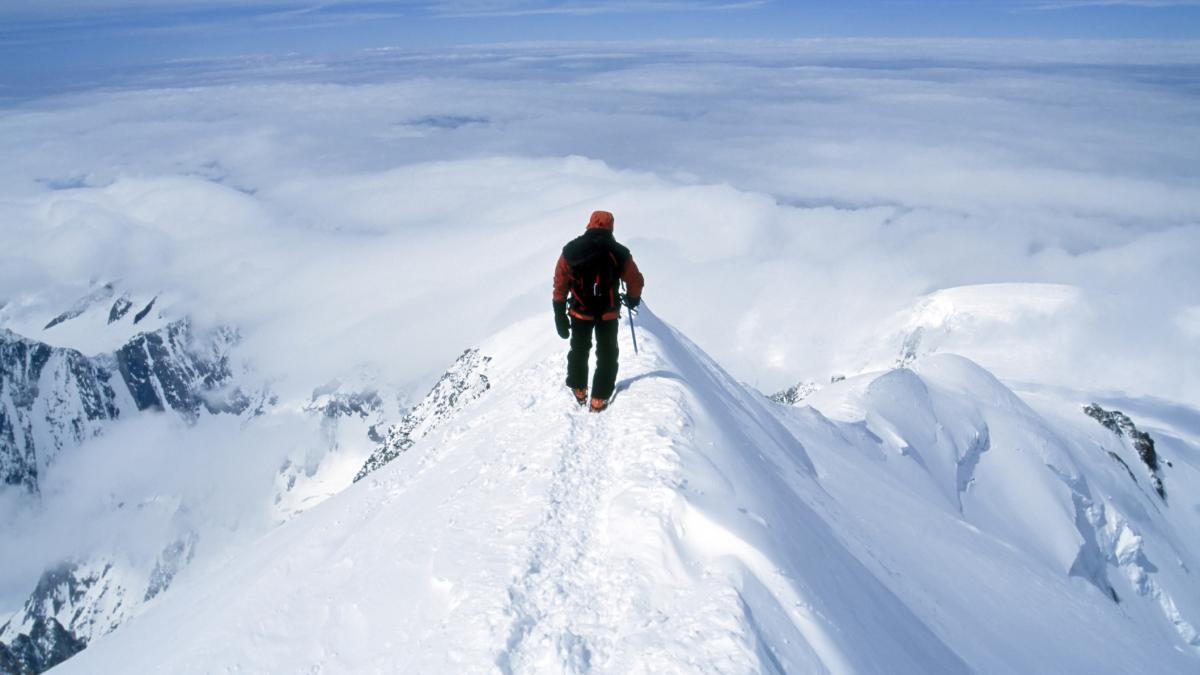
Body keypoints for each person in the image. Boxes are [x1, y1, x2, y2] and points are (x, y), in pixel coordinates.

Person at [552, 210, 645, 412]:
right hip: (608, 313)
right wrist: (632, 299)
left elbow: (560, 283)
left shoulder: (570, 250)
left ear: (590, 224)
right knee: (608, 353)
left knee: (579, 349)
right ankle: (599, 398)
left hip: (580, 312)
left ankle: (579, 389)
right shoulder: (620, 252)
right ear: (611, 227)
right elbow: (635, 281)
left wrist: (559, 314)